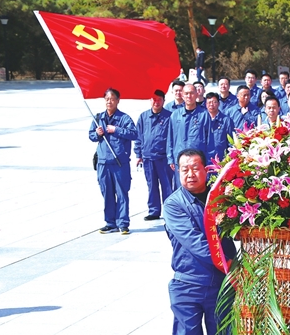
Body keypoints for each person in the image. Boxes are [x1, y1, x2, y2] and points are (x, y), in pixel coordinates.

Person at [164, 148, 236, 335]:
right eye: (185, 169)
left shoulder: (223, 199)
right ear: (177, 171)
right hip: (187, 285)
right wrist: (229, 266)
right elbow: (195, 244)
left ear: (206, 170)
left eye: (195, 168)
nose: (190, 173)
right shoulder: (173, 205)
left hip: (219, 285)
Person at [89, 88, 138, 234]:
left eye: (112, 99)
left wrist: (116, 130)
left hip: (119, 163)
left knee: (122, 193)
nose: (109, 102)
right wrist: (96, 134)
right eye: (107, 99)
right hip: (103, 163)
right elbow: (91, 136)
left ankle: (123, 223)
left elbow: (134, 134)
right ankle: (110, 223)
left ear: (118, 101)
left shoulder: (124, 118)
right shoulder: (98, 118)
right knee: (107, 193)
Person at [135, 89, 174, 221]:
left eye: (159, 100)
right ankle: (154, 210)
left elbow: (172, 138)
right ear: (150, 100)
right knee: (151, 185)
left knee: (167, 185)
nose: (156, 102)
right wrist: (138, 154)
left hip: (163, 158)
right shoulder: (143, 117)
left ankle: (169, 210)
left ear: (164, 101)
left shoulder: (170, 116)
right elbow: (138, 136)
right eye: (154, 99)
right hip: (148, 158)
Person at [168, 84, 209, 189]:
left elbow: (209, 139)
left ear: (196, 94)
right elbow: (170, 138)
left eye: (191, 93)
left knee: (198, 187)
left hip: (197, 159)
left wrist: (207, 160)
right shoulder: (175, 115)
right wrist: (170, 158)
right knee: (180, 187)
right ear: (182, 95)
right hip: (180, 159)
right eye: (186, 93)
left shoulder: (204, 114)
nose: (189, 96)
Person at [204, 91, 234, 163]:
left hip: (222, 158)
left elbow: (231, 141)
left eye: (214, 102)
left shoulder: (226, 120)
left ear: (218, 103)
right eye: (209, 102)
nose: (211, 105)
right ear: (206, 104)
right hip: (205, 158)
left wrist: (229, 156)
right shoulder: (202, 120)